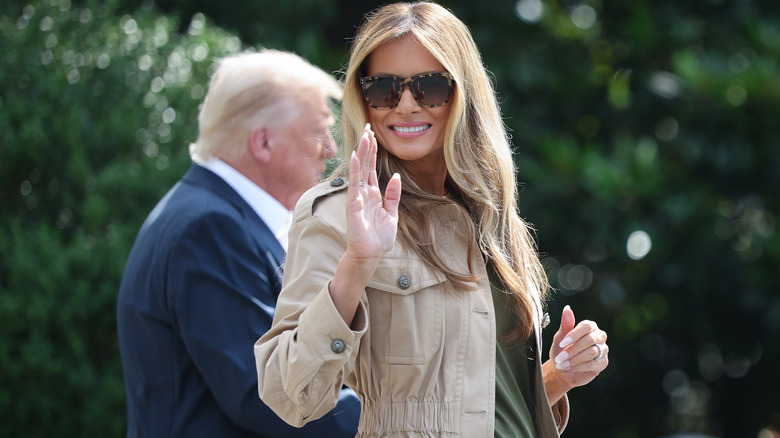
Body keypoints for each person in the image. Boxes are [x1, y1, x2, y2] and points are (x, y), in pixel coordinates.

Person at [254, 2, 609, 437]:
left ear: (463, 94)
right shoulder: (341, 214)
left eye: (430, 87)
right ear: (363, 99)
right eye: (383, 89)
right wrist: (356, 264)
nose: (405, 105)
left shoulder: (490, 215)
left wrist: (560, 374)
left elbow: (482, 405)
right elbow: (289, 395)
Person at [116, 50, 361, 437]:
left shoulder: (210, 218)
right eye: (318, 131)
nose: (330, 149)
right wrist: (396, 420)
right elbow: (270, 396)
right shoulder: (209, 230)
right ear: (263, 142)